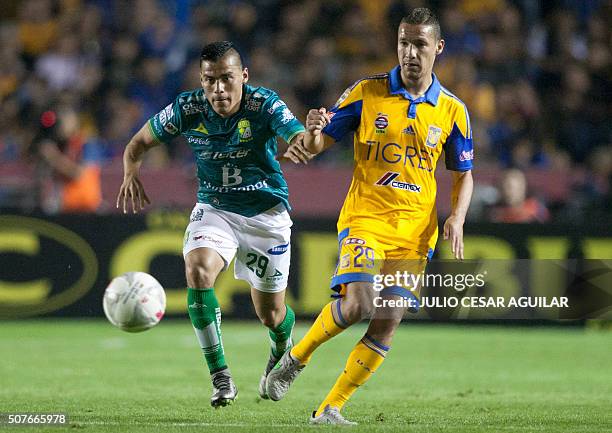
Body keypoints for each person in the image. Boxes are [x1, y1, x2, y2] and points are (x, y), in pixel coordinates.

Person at [266, 8, 474, 424]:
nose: (410, 52)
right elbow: (317, 145)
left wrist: (457, 218)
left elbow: (463, 175)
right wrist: (310, 129)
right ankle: (296, 358)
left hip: (415, 234)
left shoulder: (452, 110)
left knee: (387, 323)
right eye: (403, 42)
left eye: (419, 44)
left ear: (438, 47)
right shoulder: (367, 92)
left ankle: (330, 408)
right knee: (358, 303)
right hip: (366, 219)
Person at [116, 41, 311, 407]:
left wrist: (305, 140)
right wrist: (130, 173)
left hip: (266, 215)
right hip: (215, 208)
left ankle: (281, 348)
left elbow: (298, 135)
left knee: (271, 315)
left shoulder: (264, 103)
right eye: (210, 81)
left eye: (227, 79)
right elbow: (137, 144)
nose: (219, 89)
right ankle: (221, 378)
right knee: (198, 270)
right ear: (201, 80)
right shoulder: (186, 109)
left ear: (244, 77)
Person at [31, 105, 102, 213]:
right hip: (66, 207)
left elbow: (79, 174)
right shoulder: (62, 145)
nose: (59, 126)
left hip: (87, 207)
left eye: (63, 121)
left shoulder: (87, 143)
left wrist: (53, 157)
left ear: (74, 122)